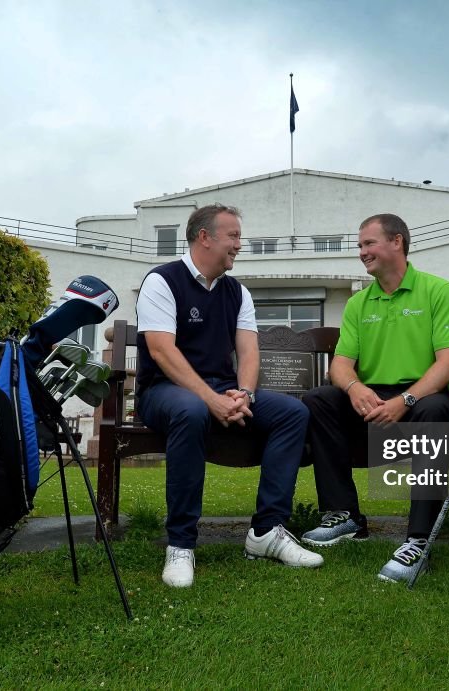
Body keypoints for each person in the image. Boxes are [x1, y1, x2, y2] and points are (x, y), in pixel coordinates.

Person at [135, 203, 323, 588]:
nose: (240, 244)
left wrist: (246, 395)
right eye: (233, 236)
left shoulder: (238, 292)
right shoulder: (161, 281)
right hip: (163, 391)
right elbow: (161, 351)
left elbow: (249, 352)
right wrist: (211, 399)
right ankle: (181, 544)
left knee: (293, 413)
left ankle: (266, 532)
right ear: (205, 237)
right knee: (190, 410)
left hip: (221, 391)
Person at [300, 213, 449, 582]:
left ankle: (417, 542)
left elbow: (448, 363)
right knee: (320, 400)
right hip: (371, 401)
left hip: (420, 398)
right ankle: (346, 517)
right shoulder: (359, 303)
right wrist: (356, 389)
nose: (362, 252)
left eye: (368, 243)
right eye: (360, 246)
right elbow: (340, 366)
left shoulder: (438, 290)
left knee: (437, 407)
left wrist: (404, 400)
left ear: (397, 243)